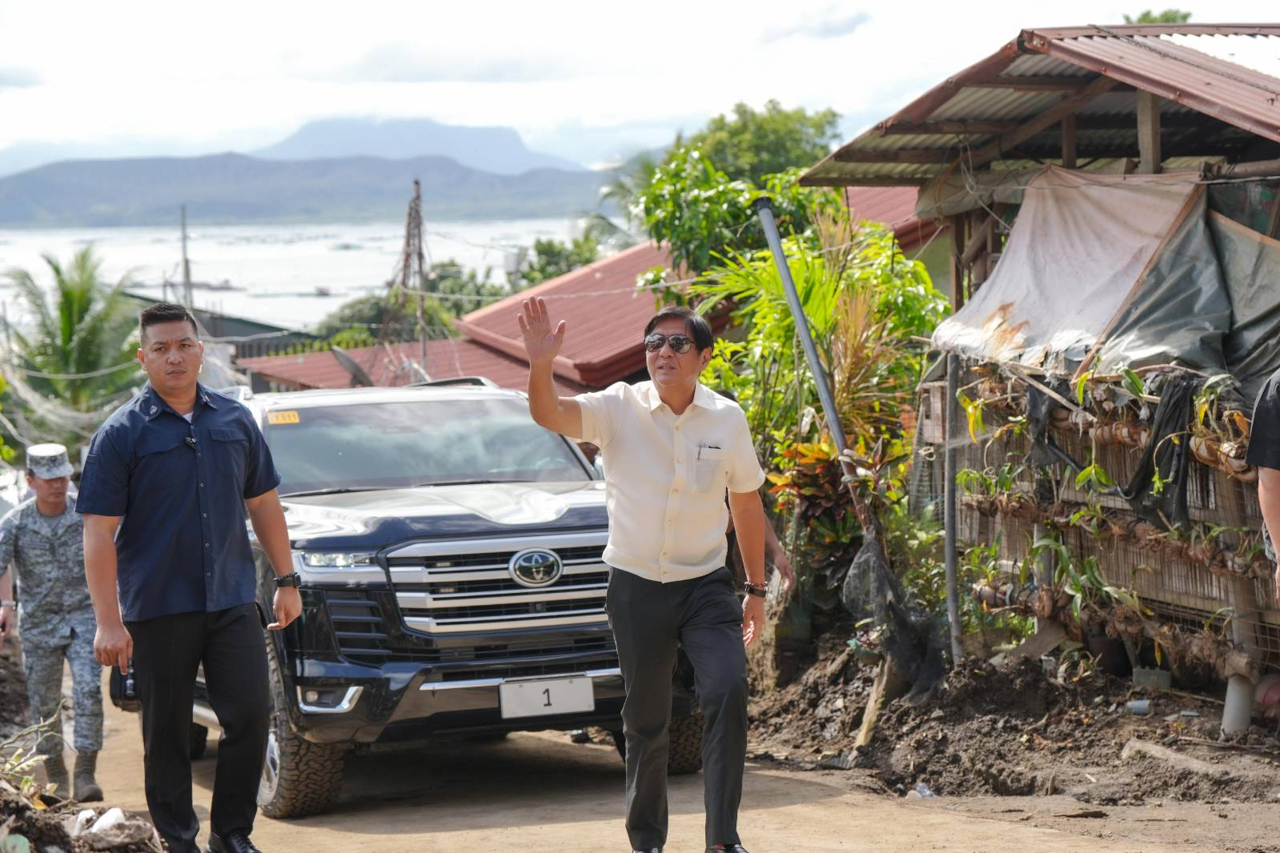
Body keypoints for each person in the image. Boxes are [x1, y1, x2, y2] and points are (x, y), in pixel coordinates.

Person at [519, 298, 767, 853]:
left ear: (704, 356)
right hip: (636, 586)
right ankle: (647, 841)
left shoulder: (727, 418)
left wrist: (755, 589)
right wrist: (540, 363)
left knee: (727, 689)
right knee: (647, 718)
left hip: (706, 585)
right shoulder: (618, 406)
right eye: (654, 343)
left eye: (678, 343)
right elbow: (549, 415)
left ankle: (722, 840)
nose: (664, 352)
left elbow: (746, 502)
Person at [77, 303, 301, 853]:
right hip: (159, 607)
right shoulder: (121, 433)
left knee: (251, 715)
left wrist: (288, 579)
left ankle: (231, 833)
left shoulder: (235, 420)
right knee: (168, 733)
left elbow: (264, 503)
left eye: (183, 345)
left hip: (231, 599)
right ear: (143, 358)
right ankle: (179, 840)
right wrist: (108, 621)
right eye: (160, 348)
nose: (173, 357)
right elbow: (98, 532)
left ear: (201, 351)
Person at [0, 444, 104, 802]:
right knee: (45, 702)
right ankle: (57, 773)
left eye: (61, 477)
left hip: (84, 618)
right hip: (39, 625)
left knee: (88, 690)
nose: (57, 485)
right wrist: (5, 606)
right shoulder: (16, 522)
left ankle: (86, 772)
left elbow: (112, 554)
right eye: (48, 479)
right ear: (31, 481)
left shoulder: (86, 514)